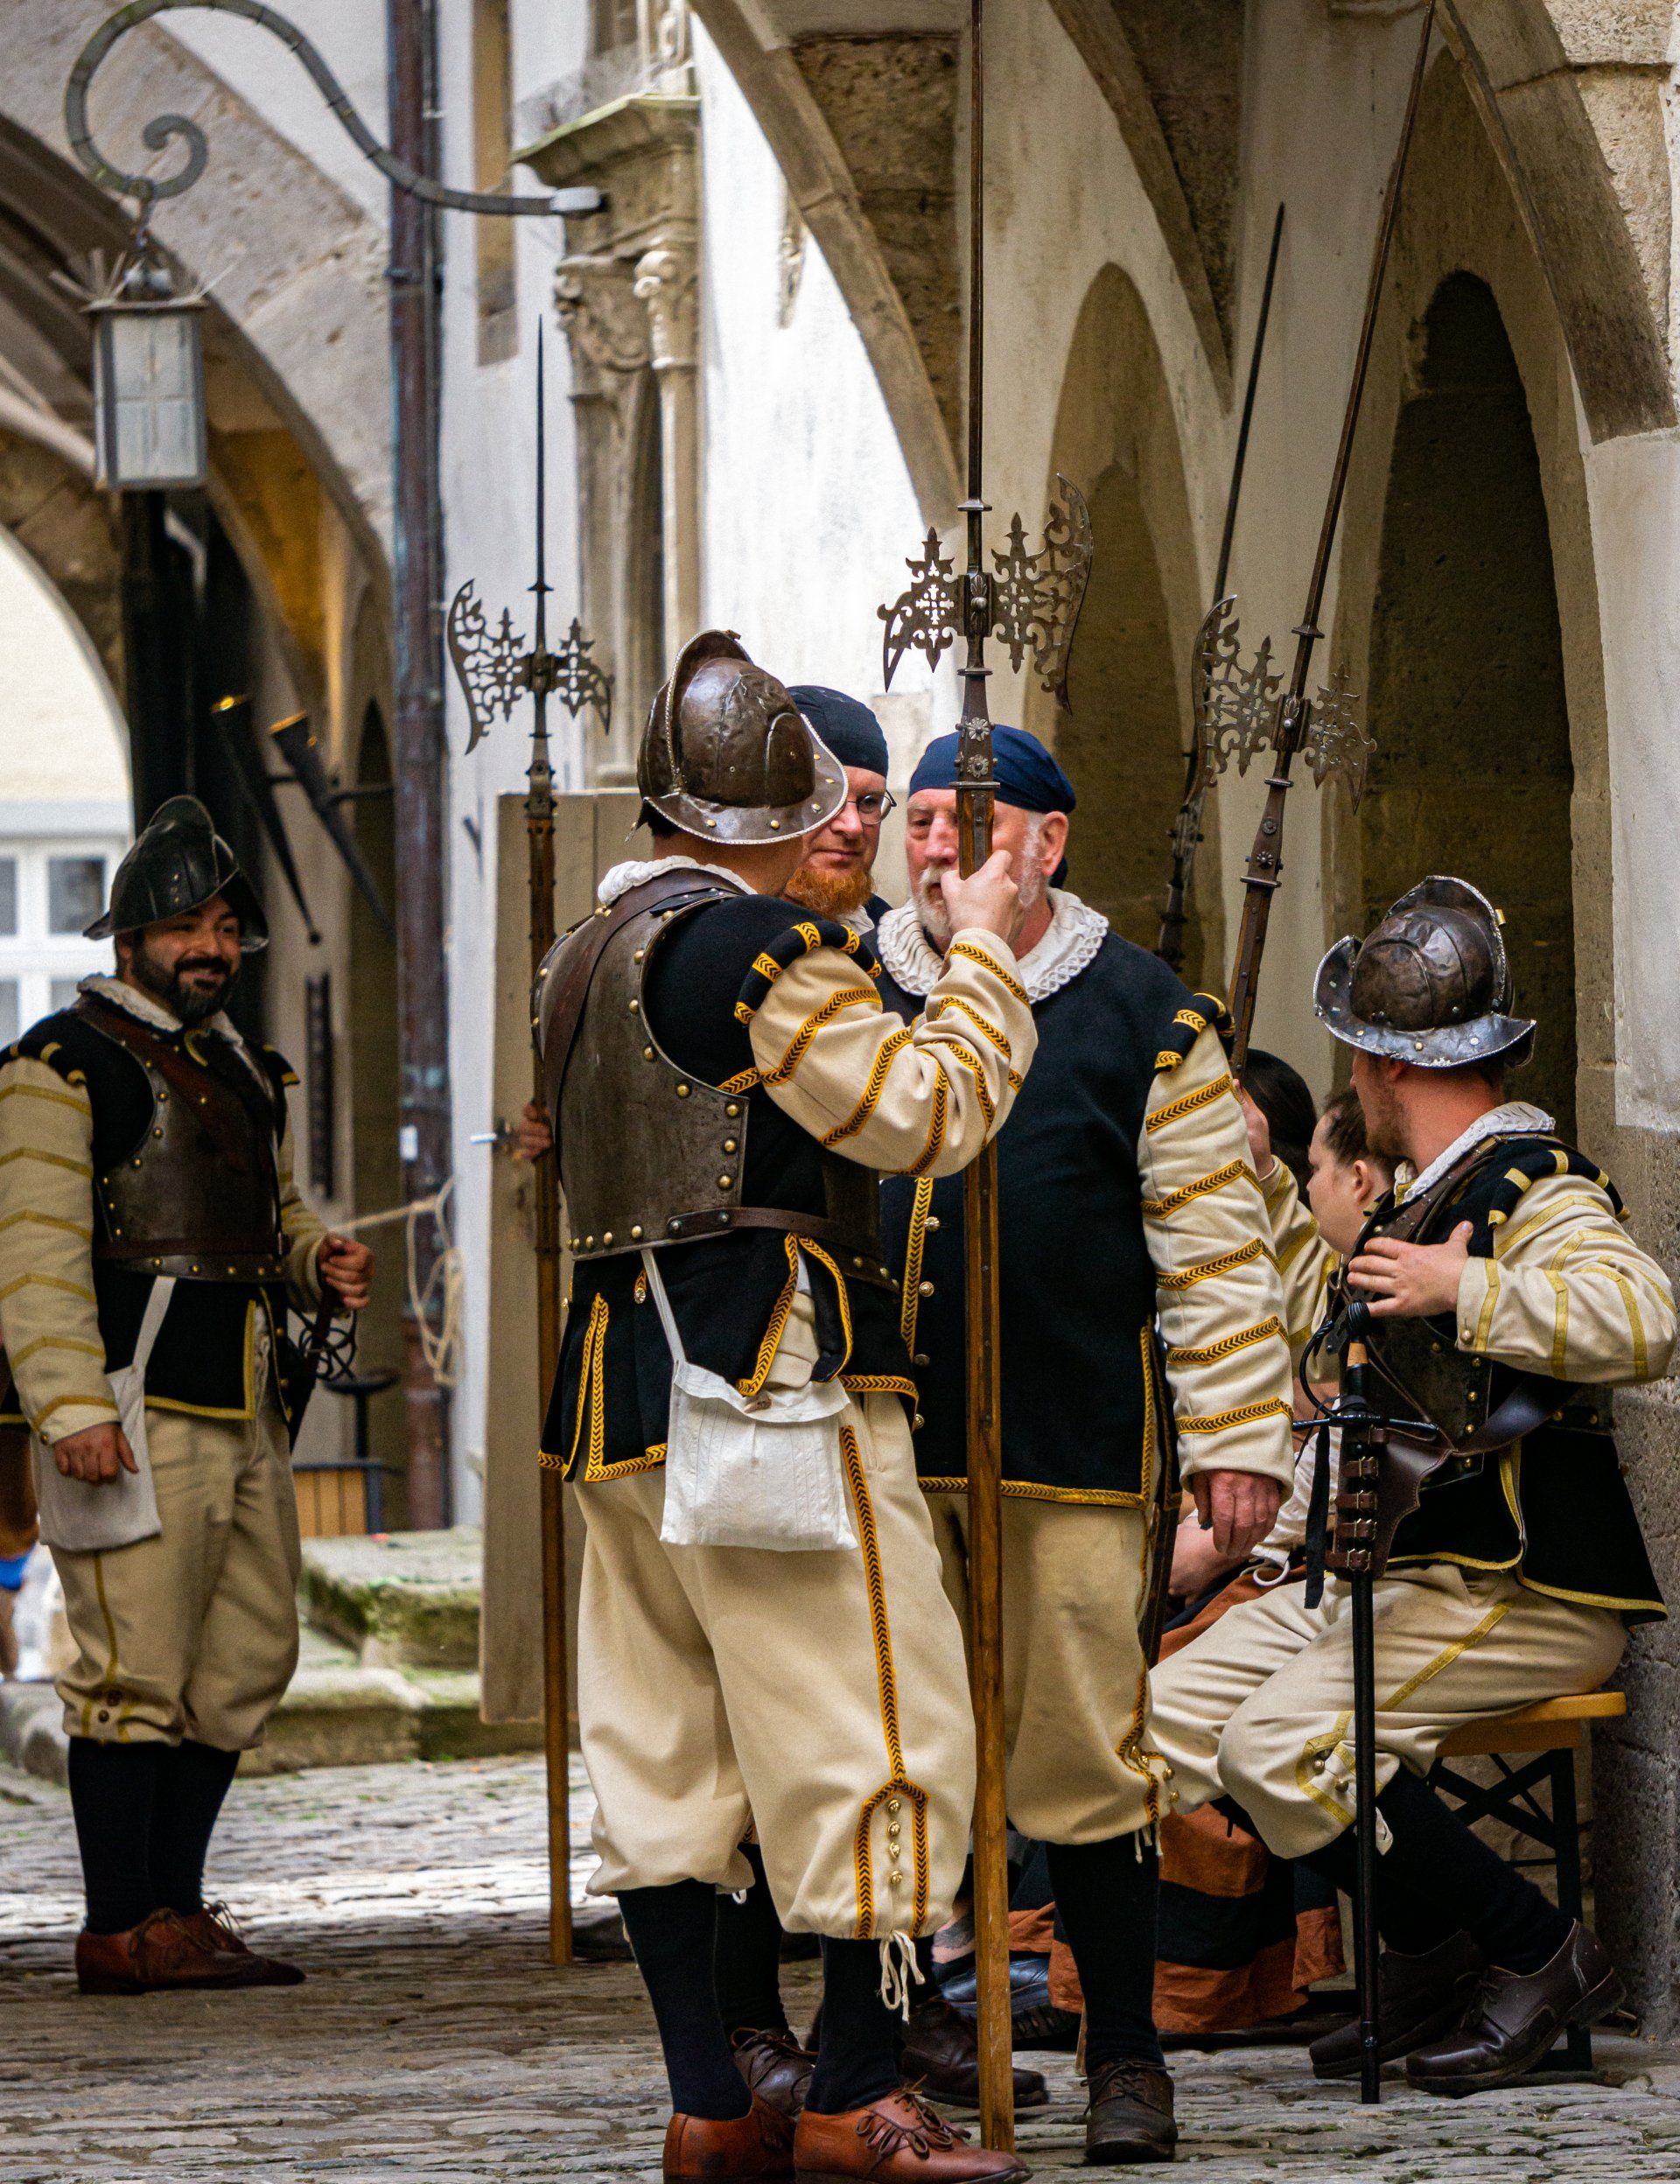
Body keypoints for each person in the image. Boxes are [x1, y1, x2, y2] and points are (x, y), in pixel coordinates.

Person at [536, 631, 1037, 2184]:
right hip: (770, 1389)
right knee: (878, 1725)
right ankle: (854, 2096)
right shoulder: (749, 949)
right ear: (771, 816)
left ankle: (709, 2105)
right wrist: (990, 953)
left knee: (664, 1758)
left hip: (618, 1392)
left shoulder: (582, 956)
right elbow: (926, 1113)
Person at [1147, 876, 1675, 2096]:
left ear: (1383, 1064)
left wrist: (1469, 1292)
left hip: (1520, 1586)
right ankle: (1437, 1953)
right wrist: (1262, 1180)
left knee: (1284, 1750)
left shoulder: (1529, 1182)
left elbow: (1646, 1317)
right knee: (1159, 1722)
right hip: (1387, 1576)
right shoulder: (1419, 1196)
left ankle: (1541, 1954)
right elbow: (1325, 1339)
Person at [874, 725, 1296, 2164]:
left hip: (1072, 1451)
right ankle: (881, 2053)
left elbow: (1213, 1248)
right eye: (923, 822)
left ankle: (1125, 2051)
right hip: (876, 1450)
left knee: (1086, 1763)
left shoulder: (1142, 1012)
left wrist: (1236, 1438)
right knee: (878, 1748)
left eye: (969, 827)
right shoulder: (852, 986)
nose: (937, 849)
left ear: (1047, 844)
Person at [0, 797, 372, 1994]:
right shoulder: (58, 1065)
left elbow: (276, 1213)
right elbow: (32, 1254)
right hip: (128, 1408)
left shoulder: (245, 1068)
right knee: (132, 1667)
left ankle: (173, 1906)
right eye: (181, 926)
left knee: (247, 1655)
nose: (207, 947)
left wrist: (316, 1257)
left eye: (222, 925)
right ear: (128, 938)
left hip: (244, 1400)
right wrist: (71, 1411)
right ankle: (122, 1924)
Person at [783, 686, 896, 932]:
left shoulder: (890, 936)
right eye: (825, 797)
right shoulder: (723, 933)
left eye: (869, 802)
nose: (853, 827)